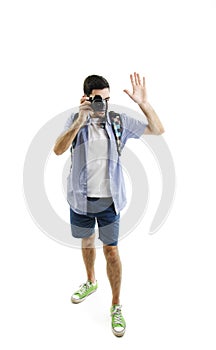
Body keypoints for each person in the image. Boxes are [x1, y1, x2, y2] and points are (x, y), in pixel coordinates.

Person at [53, 72, 165, 337]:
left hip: (110, 201)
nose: (102, 105)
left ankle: (116, 304)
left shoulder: (118, 122)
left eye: (106, 99)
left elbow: (158, 130)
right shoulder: (74, 119)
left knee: (112, 251)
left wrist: (144, 104)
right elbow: (58, 150)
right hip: (80, 199)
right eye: (96, 99)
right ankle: (91, 281)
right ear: (85, 98)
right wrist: (80, 120)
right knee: (86, 241)